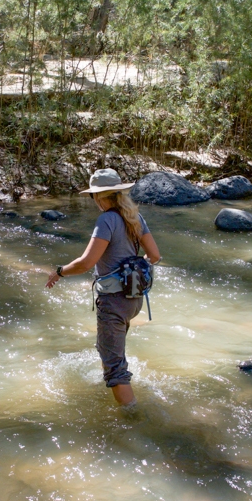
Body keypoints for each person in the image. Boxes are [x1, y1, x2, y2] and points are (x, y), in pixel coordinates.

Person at [46, 169, 161, 407]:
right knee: (107, 349)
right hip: (134, 299)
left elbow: (86, 263)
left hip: (113, 301)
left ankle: (133, 417)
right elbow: (155, 256)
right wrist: (131, 270)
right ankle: (114, 385)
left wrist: (58, 272)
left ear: (98, 197)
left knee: (115, 369)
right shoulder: (135, 217)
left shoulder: (106, 219)